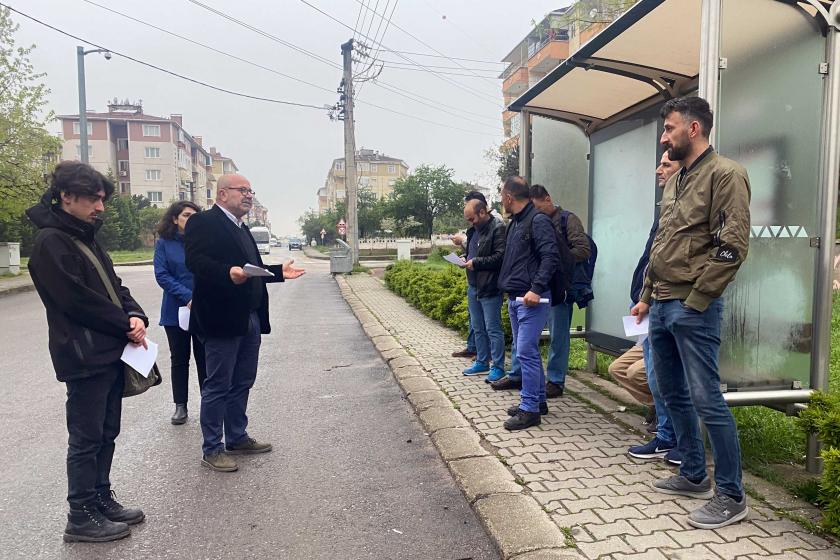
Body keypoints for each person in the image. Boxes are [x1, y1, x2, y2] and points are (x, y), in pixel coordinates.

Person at [632, 96, 751, 529]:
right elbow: (662, 241)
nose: (665, 137)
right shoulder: (676, 179)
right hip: (661, 303)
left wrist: (697, 300)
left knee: (707, 399)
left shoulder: (726, 174)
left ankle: (732, 495)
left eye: (670, 129)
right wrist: (646, 293)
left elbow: (732, 245)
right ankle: (693, 474)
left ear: (694, 129)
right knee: (671, 392)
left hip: (692, 307)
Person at [26, 161, 146, 542]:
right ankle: (80, 516)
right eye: (93, 199)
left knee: (107, 431)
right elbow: (78, 301)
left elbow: (114, 286)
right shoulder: (51, 242)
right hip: (82, 355)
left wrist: (135, 313)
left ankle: (99, 499)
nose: (101, 207)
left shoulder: (84, 235)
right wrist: (122, 323)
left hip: (108, 352)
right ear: (66, 197)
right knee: (85, 437)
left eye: (102, 199)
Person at [185, 173, 305, 472]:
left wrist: (277, 272)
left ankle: (236, 437)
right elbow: (196, 262)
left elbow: (251, 268)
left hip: (249, 317)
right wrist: (228, 272)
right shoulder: (204, 222)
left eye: (251, 191)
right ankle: (212, 448)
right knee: (218, 385)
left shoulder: (243, 228)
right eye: (243, 190)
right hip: (220, 318)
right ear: (223, 194)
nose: (249, 196)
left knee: (243, 380)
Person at [611, 152, 682, 466]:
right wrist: (642, 297)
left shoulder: (686, 205)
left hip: (670, 305)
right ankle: (667, 436)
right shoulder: (665, 208)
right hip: (651, 303)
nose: (658, 169)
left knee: (664, 378)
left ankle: (674, 439)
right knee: (657, 378)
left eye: (666, 164)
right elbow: (653, 260)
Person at [497, 176, 559, 430]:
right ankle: (539, 400)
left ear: (509, 197)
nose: (501, 201)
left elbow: (550, 257)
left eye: (502, 196)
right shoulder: (516, 224)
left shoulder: (538, 220)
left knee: (525, 352)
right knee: (527, 352)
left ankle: (530, 410)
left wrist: (536, 288)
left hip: (532, 299)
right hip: (516, 298)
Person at [154, 201, 206, 425]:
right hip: (175, 311)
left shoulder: (205, 242)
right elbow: (162, 275)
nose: (191, 219)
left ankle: (209, 403)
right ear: (175, 219)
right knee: (179, 359)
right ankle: (180, 406)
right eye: (186, 215)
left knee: (205, 358)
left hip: (205, 308)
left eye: (195, 216)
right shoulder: (164, 243)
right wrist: (187, 297)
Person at [461, 195, 507, 379]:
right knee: (478, 327)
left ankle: (498, 366)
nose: (471, 222)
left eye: (472, 218)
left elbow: (500, 256)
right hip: (473, 285)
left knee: (493, 328)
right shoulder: (473, 230)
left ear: (482, 212)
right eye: (468, 220)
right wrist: (465, 259)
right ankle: (481, 361)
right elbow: (471, 251)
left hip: (490, 286)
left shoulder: (498, 228)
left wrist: (476, 263)